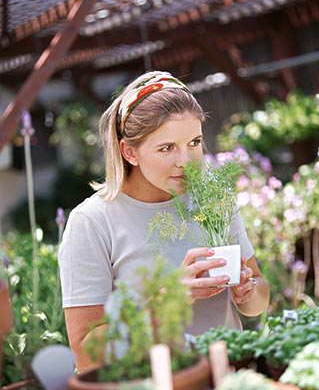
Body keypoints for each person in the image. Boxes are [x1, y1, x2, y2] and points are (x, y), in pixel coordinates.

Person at [58, 71, 270, 371]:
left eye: (194, 142)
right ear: (129, 151)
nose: (185, 160)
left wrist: (248, 291)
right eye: (166, 148)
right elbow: (87, 354)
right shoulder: (92, 223)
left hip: (231, 377)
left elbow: (258, 299)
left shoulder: (213, 197)